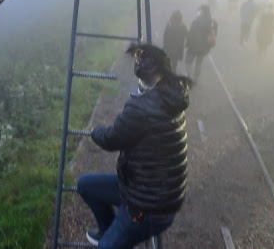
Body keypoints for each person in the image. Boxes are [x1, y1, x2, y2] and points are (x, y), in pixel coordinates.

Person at [77, 43, 192, 249]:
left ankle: (117, 236)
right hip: (147, 190)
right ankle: (109, 230)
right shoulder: (172, 96)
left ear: (144, 70)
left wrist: (96, 131)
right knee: (85, 185)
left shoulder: (141, 108)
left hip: (148, 209)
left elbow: (111, 139)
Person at [186, 5, 217, 85]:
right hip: (204, 47)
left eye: (199, 11)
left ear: (202, 12)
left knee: (188, 62)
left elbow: (191, 34)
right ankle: (195, 80)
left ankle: (189, 78)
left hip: (193, 46)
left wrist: (187, 44)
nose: (198, 12)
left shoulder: (196, 21)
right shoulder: (213, 22)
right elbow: (214, 35)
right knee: (199, 63)